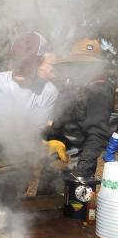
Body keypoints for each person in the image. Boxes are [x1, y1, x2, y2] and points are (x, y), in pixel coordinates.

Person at [46, 39, 115, 178]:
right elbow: (59, 120)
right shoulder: (71, 85)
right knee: (44, 199)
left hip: (78, 160)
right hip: (56, 154)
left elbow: (97, 133)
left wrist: (82, 171)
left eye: (85, 65)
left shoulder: (100, 90)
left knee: (70, 200)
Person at [0, 31, 58, 130]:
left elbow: (39, 131)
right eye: (15, 60)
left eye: (26, 62)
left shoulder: (48, 91)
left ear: (39, 62)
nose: (18, 67)